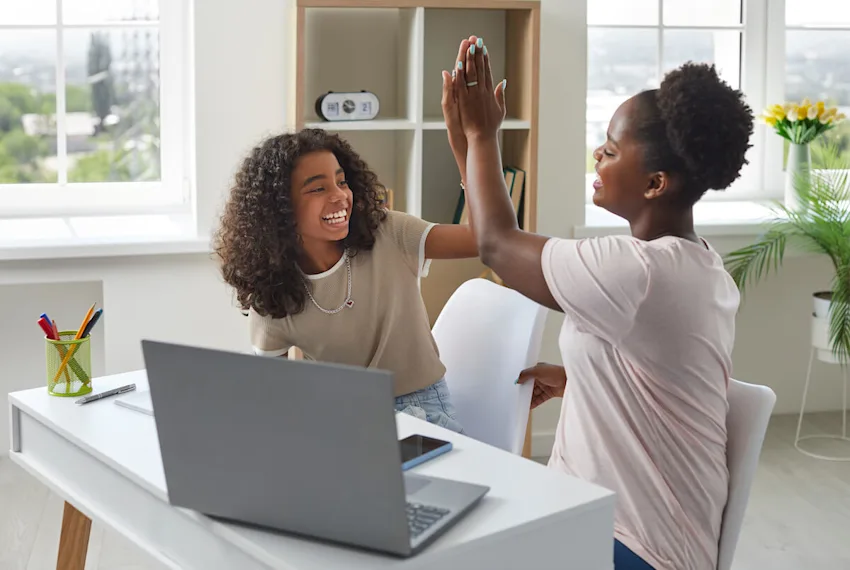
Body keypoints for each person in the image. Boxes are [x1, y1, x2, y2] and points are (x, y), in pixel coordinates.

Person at [446, 36, 753, 570]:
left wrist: (481, 135)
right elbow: (662, 371)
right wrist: (580, 377)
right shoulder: (698, 266)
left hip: (632, 543)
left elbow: (495, 244)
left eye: (610, 151)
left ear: (655, 183)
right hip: (633, 527)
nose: (598, 154)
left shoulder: (634, 270)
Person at [212, 122, 478, 434]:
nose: (340, 196)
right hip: (341, 418)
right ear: (280, 209)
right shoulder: (274, 296)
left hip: (422, 411)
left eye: (342, 182)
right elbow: (271, 397)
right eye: (318, 188)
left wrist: (467, 150)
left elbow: (482, 239)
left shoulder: (390, 233)